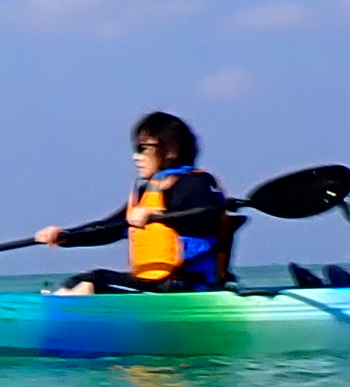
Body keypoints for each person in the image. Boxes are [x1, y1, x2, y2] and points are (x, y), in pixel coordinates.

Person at [33, 111, 238, 291]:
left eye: (143, 148)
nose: (136, 157)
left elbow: (207, 219)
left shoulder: (194, 184)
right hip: (154, 286)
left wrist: (157, 217)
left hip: (186, 286)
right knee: (75, 283)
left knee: (93, 282)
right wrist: (66, 236)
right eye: (135, 149)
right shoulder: (147, 192)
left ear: (170, 151)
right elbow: (110, 228)